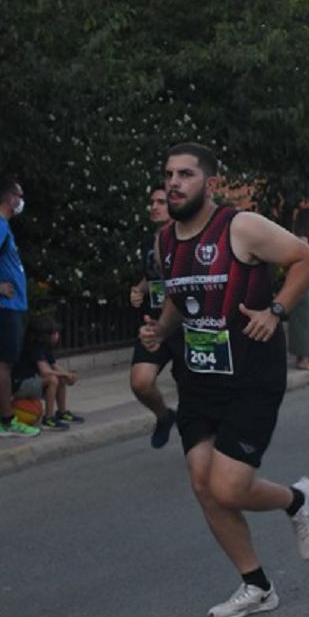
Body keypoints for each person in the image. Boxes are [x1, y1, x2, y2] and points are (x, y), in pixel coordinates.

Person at [139, 142, 309, 617]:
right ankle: (257, 586)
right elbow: (185, 295)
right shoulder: (165, 241)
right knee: (204, 484)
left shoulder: (239, 226)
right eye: (169, 174)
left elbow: (307, 260)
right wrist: (161, 328)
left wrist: (277, 310)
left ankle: (298, 499)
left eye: (185, 174)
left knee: (228, 486)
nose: (174, 183)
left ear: (211, 183)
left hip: (251, 376)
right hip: (198, 376)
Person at [129, 184, 178, 448]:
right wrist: (139, 289)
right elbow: (151, 277)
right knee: (140, 383)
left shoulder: (186, 237)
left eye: (161, 202)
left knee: (196, 391)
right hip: (153, 324)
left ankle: (208, 442)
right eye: (152, 202)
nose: (154, 207)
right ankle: (164, 416)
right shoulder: (149, 240)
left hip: (183, 324)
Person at [0, 176, 40, 437]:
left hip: (11, 306)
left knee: (0, 362)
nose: (21, 201)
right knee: (2, 364)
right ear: (11, 199)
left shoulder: (1, 226)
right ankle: (7, 420)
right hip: (6, 307)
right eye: (19, 196)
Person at [12, 317, 84, 430]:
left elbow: (54, 365)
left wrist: (67, 375)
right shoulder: (35, 347)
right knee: (52, 379)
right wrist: (65, 374)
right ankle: (48, 418)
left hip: (31, 382)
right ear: (42, 336)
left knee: (60, 379)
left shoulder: (45, 347)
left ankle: (62, 412)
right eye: (53, 333)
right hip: (20, 385)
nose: (57, 335)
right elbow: (45, 371)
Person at [287, 206, 309, 374]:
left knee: (303, 320)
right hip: (305, 283)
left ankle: (302, 357)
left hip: (304, 282)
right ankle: (304, 359)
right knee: (307, 320)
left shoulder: (297, 238)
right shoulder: (304, 240)